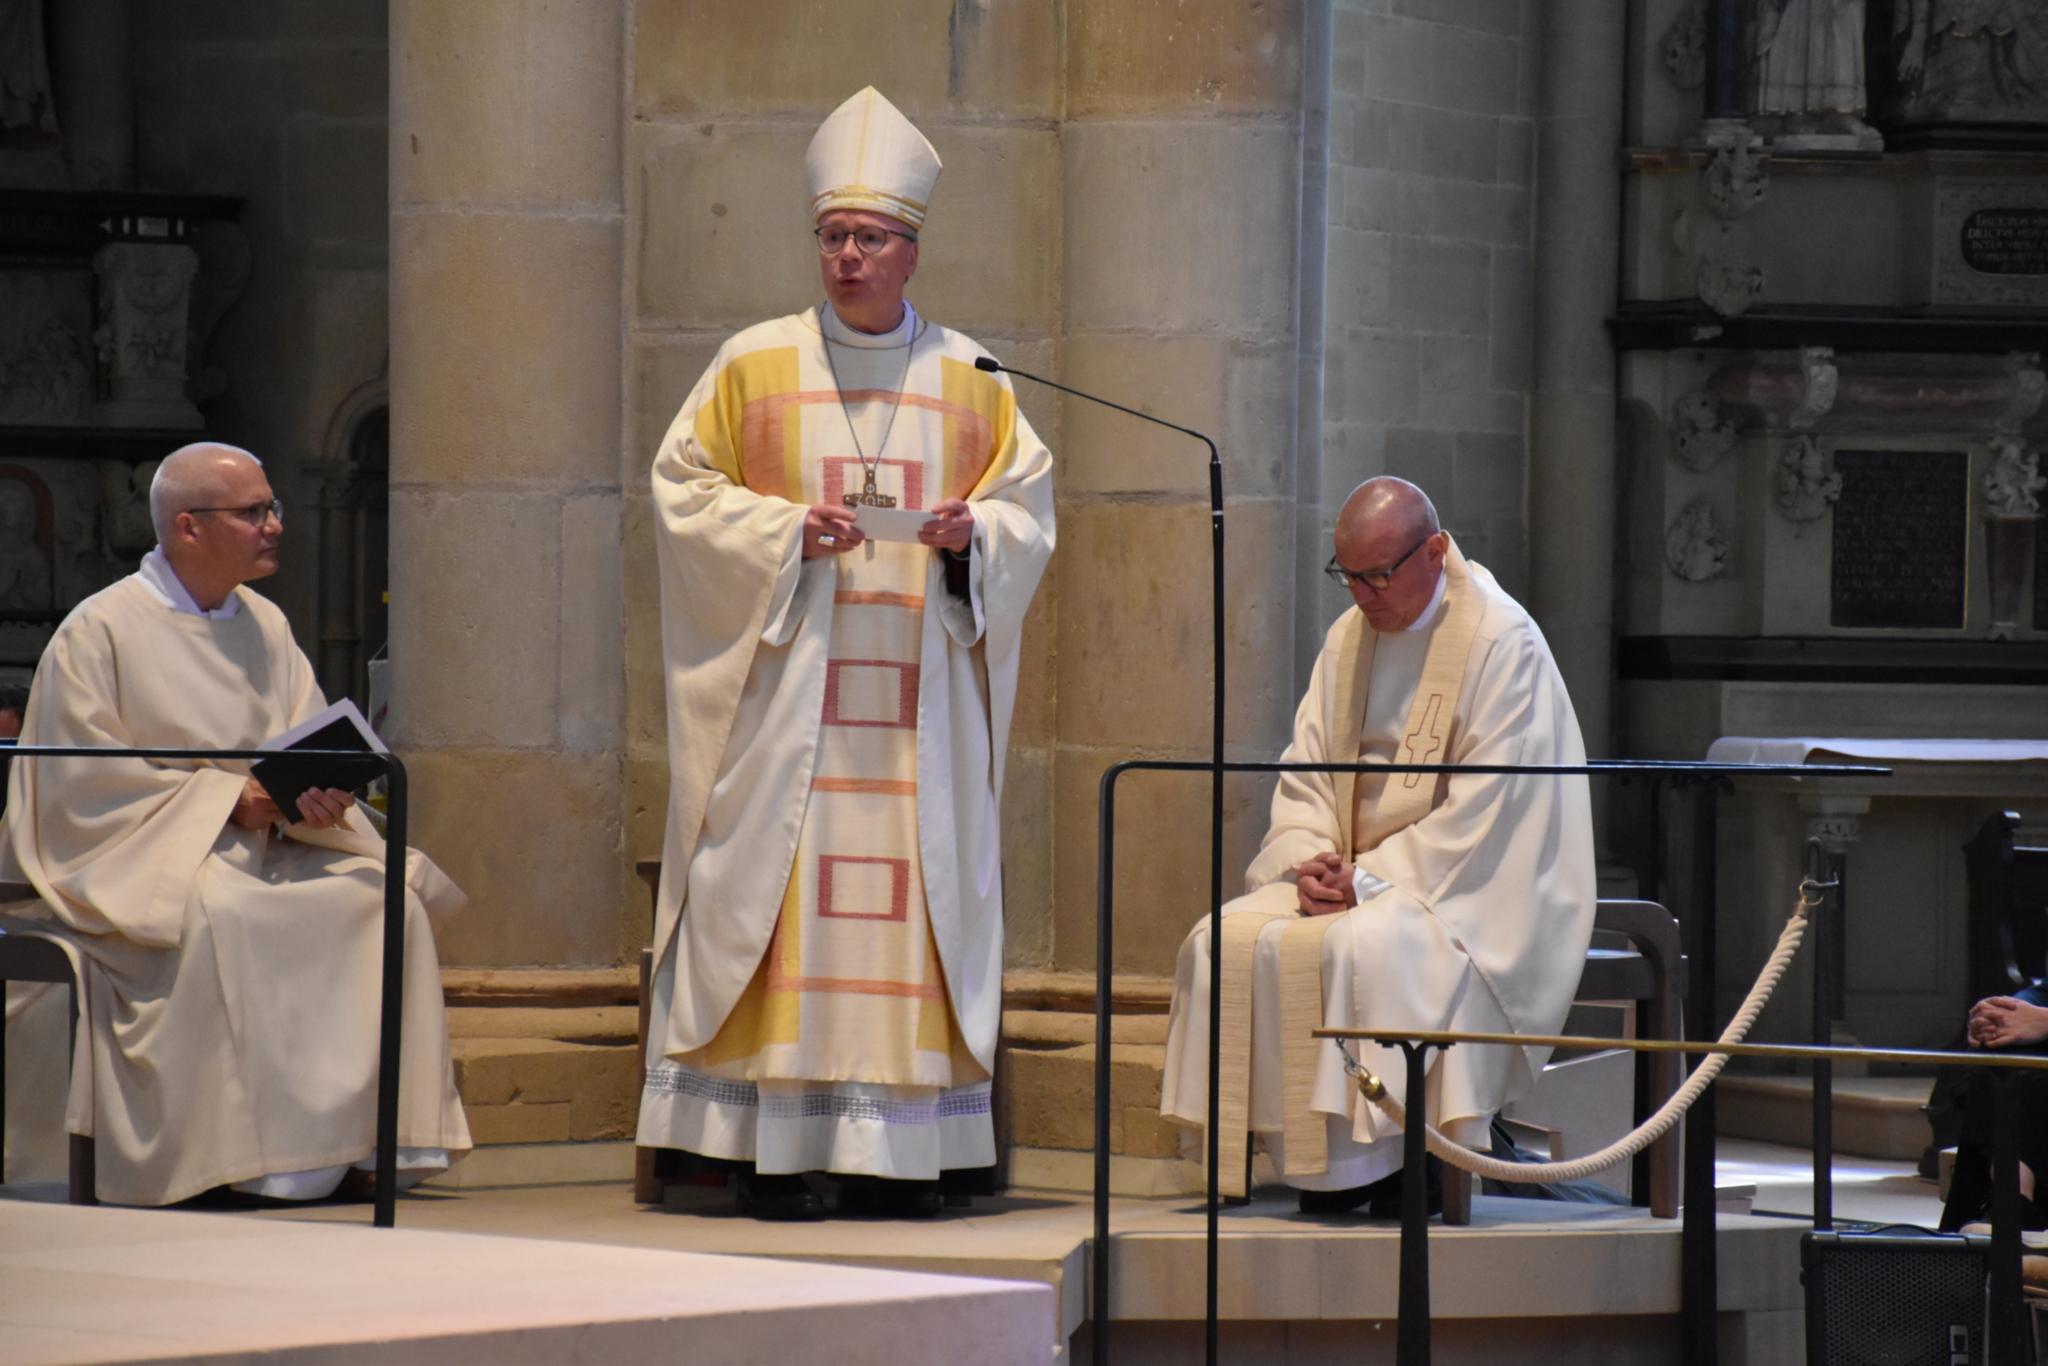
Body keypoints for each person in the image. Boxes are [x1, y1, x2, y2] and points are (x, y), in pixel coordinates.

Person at [637, 87, 1055, 1221]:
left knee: (912, 898)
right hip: (791, 702)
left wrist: (978, 540)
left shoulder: (974, 375)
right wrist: (780, 532)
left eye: (867, 237)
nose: (846, 256)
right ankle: (775, 1151)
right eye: (831, 237)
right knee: (773, 892)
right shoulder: (750, 363)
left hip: (919, 707)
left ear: (910, 249)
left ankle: (901, 1158)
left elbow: (1029, 511)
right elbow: (679, 492)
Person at [0, 442, 470, 1206]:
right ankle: (249, 1156)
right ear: (187, 526)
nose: (274, 525)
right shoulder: (101, 633)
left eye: (271, 507)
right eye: (254, 512)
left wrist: (315, 797)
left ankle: (366, 1143)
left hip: (270, 844)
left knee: (382, 901)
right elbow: (77, 789)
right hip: (144, 859)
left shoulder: (266, 625)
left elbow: (301, 736)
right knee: (228, 914)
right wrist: (229, 801)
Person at [1159, 478, 1596, 1213]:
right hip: (1345, 871)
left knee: (1367, 949)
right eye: (1348, 575)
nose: (1361, 595)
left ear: (1434, 551)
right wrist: (1309, 862)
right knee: (1220, 941)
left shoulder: (1501, 642)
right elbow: (1306, 771)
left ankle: (1402, 1163)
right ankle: (1317, 1167)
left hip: (1464, 888)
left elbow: (1492, 814)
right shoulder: (1348, 638)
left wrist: (1365, 881)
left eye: (1377, 575)